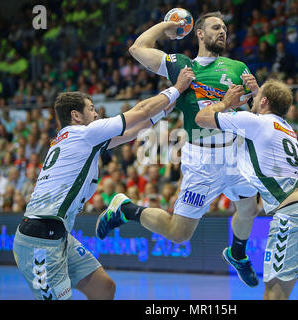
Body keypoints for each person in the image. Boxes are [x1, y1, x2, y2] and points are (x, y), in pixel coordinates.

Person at [12, 68, 195, 300]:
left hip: (59, 235)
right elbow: (139, 111)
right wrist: (177, 88)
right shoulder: (84, 134)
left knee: (104, 288)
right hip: (39, 241)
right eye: (91, 109)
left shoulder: (76, 139)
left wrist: (162, 112)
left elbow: (131, 132)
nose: (97, 114)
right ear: (76, 116)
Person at [108, 11, 260, 287]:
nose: (222, 32)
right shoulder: (182, 65)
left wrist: (257, 92)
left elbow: (258, 114)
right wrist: (170, 26)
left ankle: (237, 254)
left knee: (249, 208)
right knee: (179, 234)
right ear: (199, 34)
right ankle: (126, 209)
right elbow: (137, 49)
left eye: (225, 28)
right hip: (201, 159)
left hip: (235, 153)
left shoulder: (238, 67)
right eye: (216, 27)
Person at [194, 79, 298, 300]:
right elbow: (273, 108)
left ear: (265, 102)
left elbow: (201, 119)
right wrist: (261, 92)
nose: (252, 100)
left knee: (273, 293)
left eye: (256, 98)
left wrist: (226, 103)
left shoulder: (255, 123)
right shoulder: (287, 128)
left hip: (294, 217)